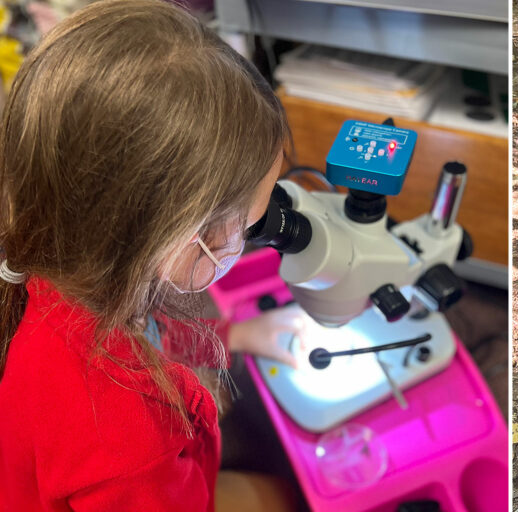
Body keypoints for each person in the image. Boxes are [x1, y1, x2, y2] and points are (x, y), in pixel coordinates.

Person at [0, 0, 304, 509]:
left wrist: (237, 335)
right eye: (248, 223)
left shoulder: (63, 267)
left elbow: (151, 333)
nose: (256, 229)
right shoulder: (130, 440)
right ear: (175, 235)